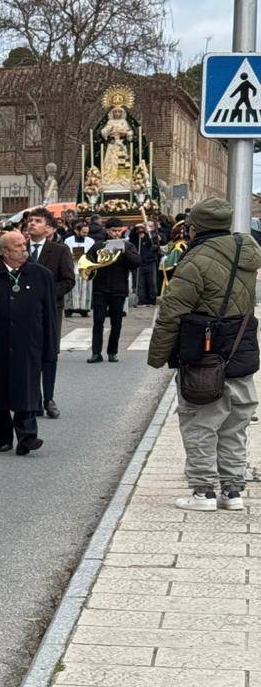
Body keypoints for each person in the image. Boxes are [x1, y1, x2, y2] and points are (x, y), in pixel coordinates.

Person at [148, 197, 261, 512]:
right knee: (235, 426)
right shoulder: (247, 251)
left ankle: (203, 493)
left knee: (200, 423)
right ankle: (232, 491)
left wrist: (157, 357)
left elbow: (172, 311)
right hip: (241, 350)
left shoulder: (194, 261)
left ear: (194, 228)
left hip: (205, 354)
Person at [0, 229, 56, 455]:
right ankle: (2, 437)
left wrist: (50, 346)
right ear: (4, 252)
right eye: (19, 246)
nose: (25, 249)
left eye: (24, 245)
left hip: (29, 342)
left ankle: (27, 437)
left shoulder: (41, 275)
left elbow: (49, 315)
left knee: (27, 387)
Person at [24, 211, 74, 419]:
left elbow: (68, 280)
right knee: (29, 354)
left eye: (38, 221)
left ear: (51, 229)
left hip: (50, 310)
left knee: (49, 353)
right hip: (24, 310)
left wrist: (47, 295)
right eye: (30, 221)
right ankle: (33, 397)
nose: (32, 224)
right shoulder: (20, 248)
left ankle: (49, 398)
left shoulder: (60, 250)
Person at [87, 217, 132, 363]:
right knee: (98, 322)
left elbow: (136, 263)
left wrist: (125, 252)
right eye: (114, 231)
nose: (117, 234)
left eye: (119, 231)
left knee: (116, 323)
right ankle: (96, 353)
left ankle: (112, 352)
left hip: (118, 289)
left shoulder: (128, 246)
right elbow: (88, 261)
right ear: (108, 230)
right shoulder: (98, 245)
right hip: (100, 288)